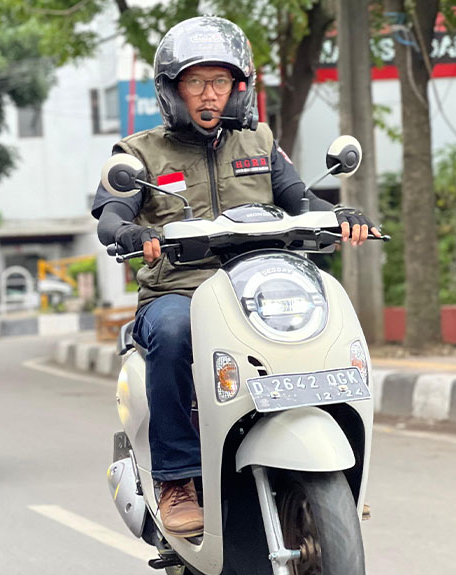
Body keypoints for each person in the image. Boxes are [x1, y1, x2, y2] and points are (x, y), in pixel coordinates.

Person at [93, 17, 379, 538]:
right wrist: (131, 232)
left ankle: (328, 471)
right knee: (177, 333)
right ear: (173, 89)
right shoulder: (138, 154)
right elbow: (110, 215)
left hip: (258, 284)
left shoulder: (260, 142)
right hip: (178, 290)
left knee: (320, 324)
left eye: (220, 82)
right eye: (196, 82)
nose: (209, 95)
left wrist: (343, 215)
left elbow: (300, 199)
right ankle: (177, 478)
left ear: (236, 87)